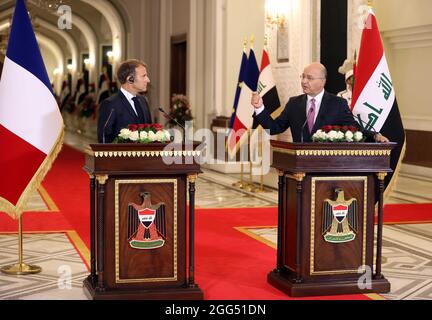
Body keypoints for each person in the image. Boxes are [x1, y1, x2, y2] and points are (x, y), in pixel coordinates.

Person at [251, 62, 389, 143]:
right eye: (303, 77)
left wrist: (375, 136)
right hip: (298, 167)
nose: (304, 81)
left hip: (326, 167)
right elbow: (275, 128)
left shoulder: (338, 104)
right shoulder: (294, 104)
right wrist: (259, 108)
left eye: (309, 78)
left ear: (322, 81)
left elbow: (355, 129)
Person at [97, 59, 152, 143]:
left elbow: (149, 132)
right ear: (130, 79)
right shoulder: (110, 104)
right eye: (143, 76)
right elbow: (104, 139)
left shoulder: (143, 101)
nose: (148, 80)